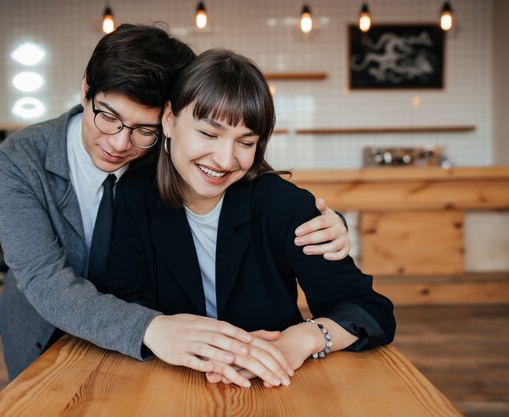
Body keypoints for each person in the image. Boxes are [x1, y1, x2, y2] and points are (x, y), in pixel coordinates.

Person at [0, 24, 352, 384]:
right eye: (108, 117)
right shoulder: (19, 162)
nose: (118, 144)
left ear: (166, 119)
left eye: (143, 130)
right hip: (47, 328)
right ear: (86, 91)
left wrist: (325, 223)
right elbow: (45, 281)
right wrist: (153, 328)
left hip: (152, 347)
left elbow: (238, 173)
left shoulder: (167, 155)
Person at [99, 49, 396, 387]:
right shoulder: (135, 194)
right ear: (169, 119)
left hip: (274, 384)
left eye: (246, 141)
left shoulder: (284, 206)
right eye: (209, 134)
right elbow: (126, 298)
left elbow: (369, 309)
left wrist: (301, 339)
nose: (225, 159)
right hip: (168, 381)